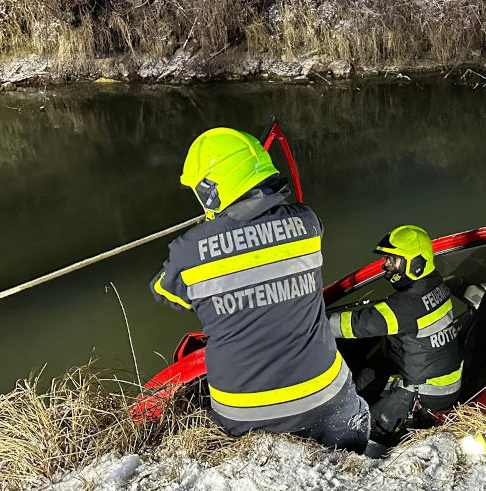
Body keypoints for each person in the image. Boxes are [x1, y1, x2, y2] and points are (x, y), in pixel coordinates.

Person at [151, 127, 369, 452]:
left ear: (210, 190)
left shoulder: (188, 252)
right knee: (355, 423)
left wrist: (207, 234)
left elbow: (164, 291)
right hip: (325, 398)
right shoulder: (308, 223)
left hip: (244, 412)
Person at [328, 225, 464, 443]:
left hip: (427, 391)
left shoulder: (407, 304)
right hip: (440, 377)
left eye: (393, 259)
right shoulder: (434, 282)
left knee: (359, 432)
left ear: (416, 263)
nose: (386, 264)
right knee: (363, 380)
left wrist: (313, 324)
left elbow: (356, 324)